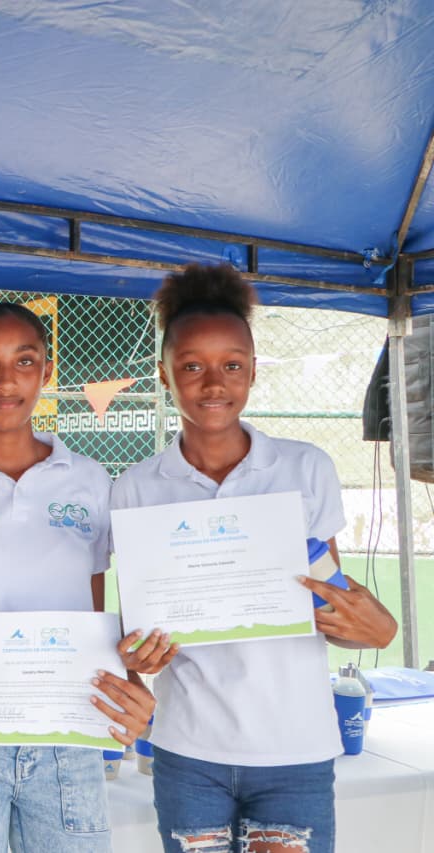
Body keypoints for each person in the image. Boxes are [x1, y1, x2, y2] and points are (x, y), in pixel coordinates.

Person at [111, 264, 397, 853]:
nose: (213, 383)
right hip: (189, 750)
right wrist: (134, 653)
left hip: (296, 750)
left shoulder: (303, 468)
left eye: (232, 364)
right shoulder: (136, 485)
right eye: (191, 365)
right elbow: (137, 628)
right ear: (164, 375)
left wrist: (370, 628)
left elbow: (330, 601)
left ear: (254, 371)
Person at [0, 301, 158, 852]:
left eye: (24, 361)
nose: (5, 380)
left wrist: (130, 683)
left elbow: (96, 611)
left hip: (68, 734)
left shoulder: (90, 481)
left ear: (46, 370)